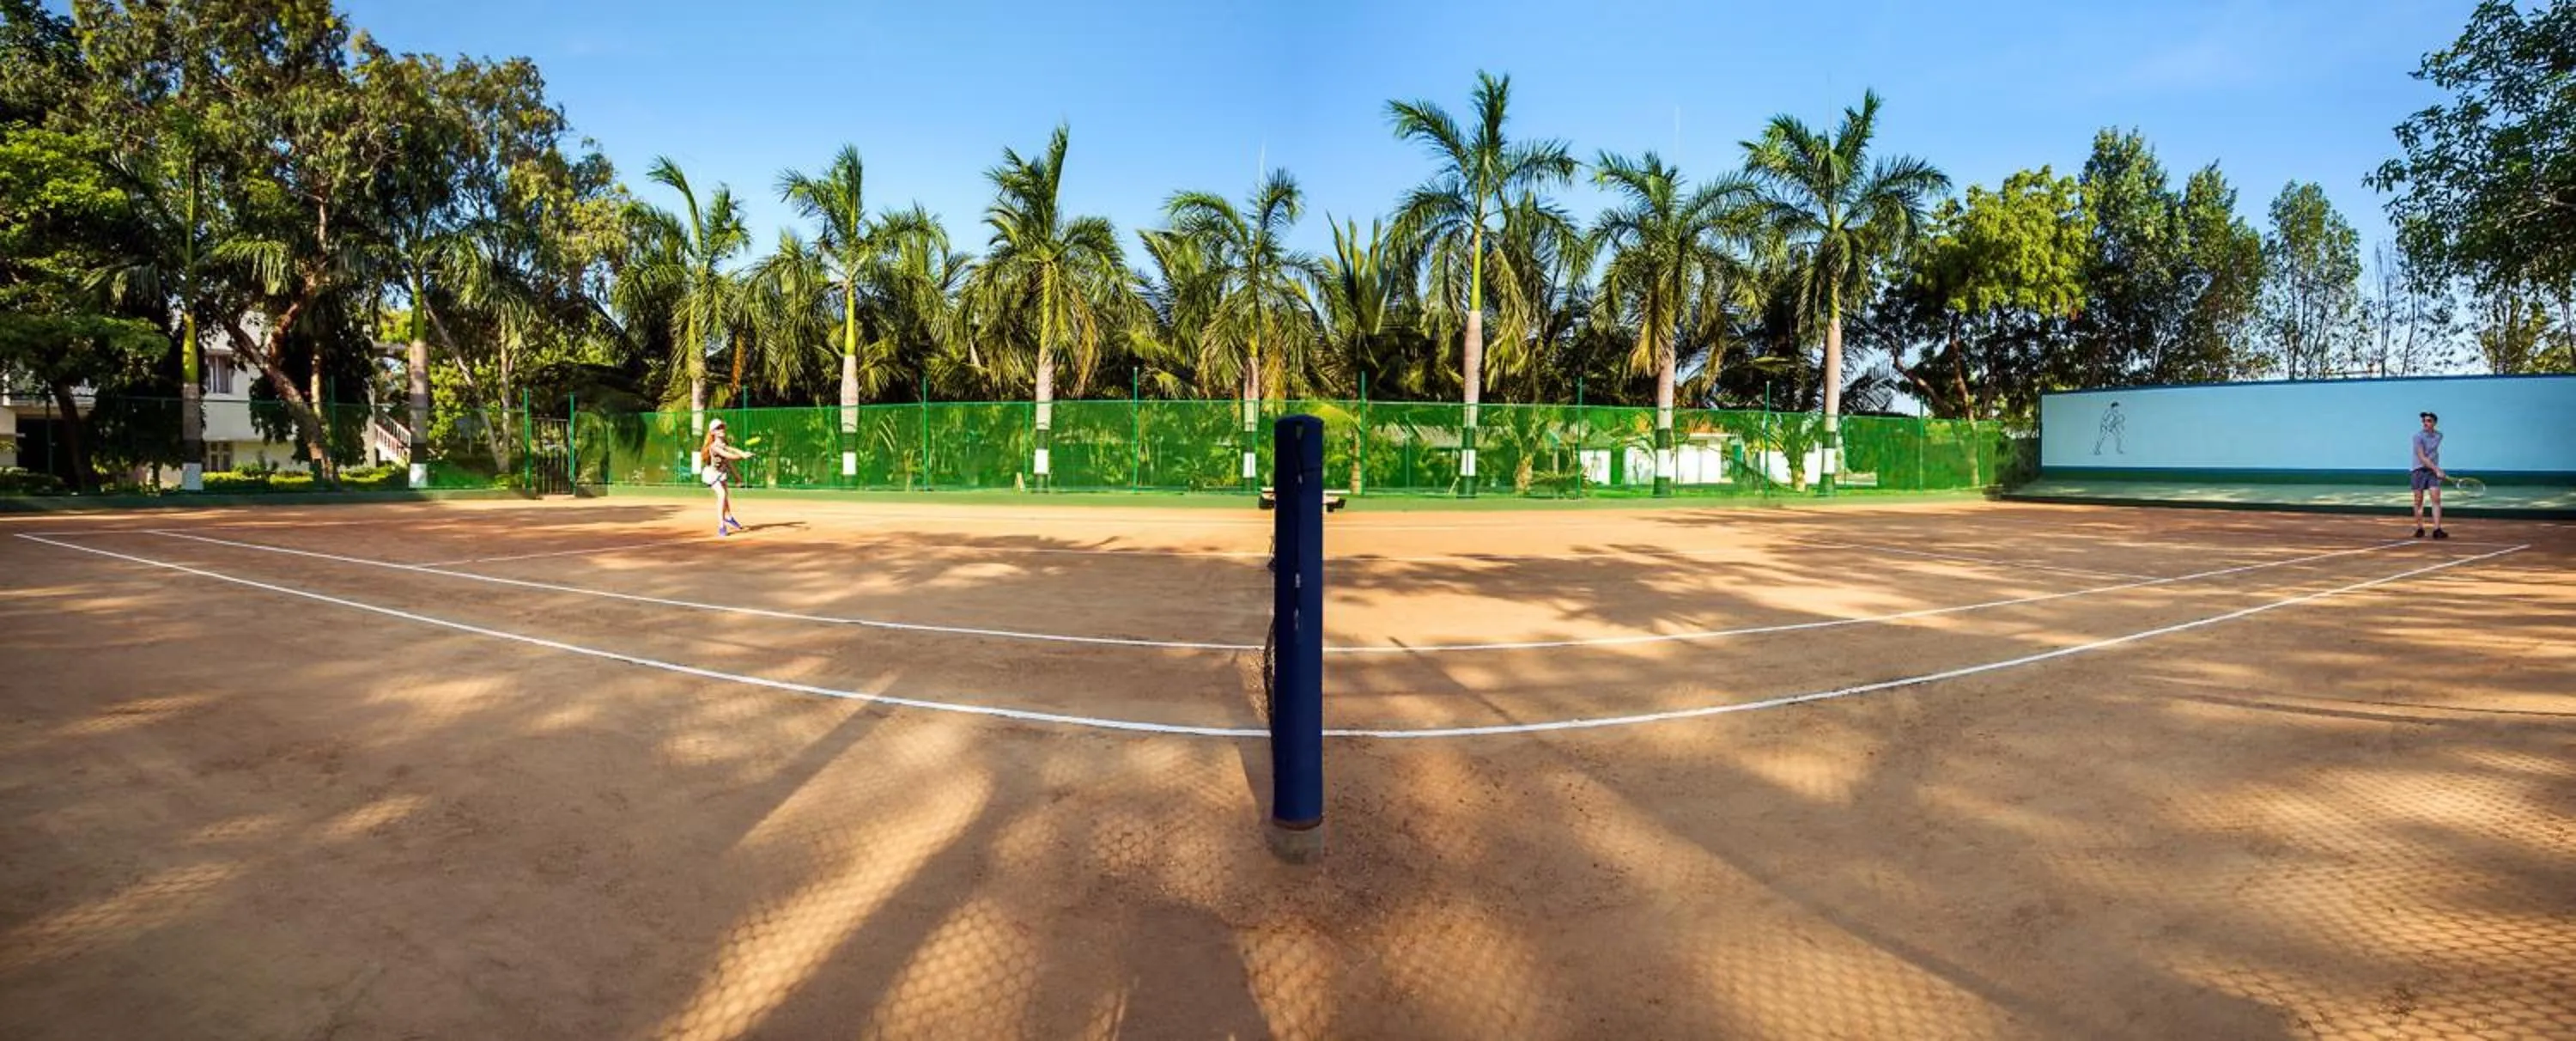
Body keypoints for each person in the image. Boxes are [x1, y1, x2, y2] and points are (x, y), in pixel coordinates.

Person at [699, 419, 755, 537]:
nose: (722, 429)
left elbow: (731, 451)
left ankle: (729, 517)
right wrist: (742, 456)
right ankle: (721, 525)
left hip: (721, 473)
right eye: (718, 428)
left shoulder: (723, 443)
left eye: (722, 427)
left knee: (726, 497)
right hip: (711, 474)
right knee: (722, 494)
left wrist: (737, 475)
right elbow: (727, 455)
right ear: (713, 432)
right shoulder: (714, 447)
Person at [2409, 411, 2447, 540]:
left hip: (2432, 472)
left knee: (2436, 498)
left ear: (2434, 423)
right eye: (2424, 421)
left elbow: (2433, 453)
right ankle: (2419, 528)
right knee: (2418, 500)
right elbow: (2421, 457)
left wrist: (2435, 470)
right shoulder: (2417, 437)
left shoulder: (2439, 436)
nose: (2425, 423)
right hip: (2419, 470)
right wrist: (2437, 469)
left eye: (2429, 421)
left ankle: (2437, 530)